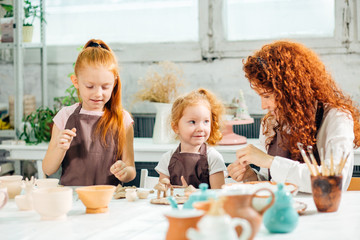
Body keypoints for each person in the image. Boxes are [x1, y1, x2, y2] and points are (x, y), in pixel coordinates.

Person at [227, 40, 360, 192]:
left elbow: (333, 182)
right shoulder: (271, 123)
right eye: (260, 96)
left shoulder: (337, 118)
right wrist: (251, 177)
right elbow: (269, 180)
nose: (263, 106)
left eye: (268, 95)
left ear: (292, 91)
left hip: (321, 212)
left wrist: (270, 162)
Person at [42, 39, 136, 186]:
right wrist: (60, 148)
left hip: (109, 201)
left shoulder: (123, 119)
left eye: (105, 87)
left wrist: (125, 171)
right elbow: (48, 169)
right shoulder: (65, 116)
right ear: (76, 82)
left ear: (115, 83)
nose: (98, 94)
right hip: (72, 199)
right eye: (90, 86)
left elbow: (131, 170)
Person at [155, 88, 227, 189]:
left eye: (206, 121)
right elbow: (163, 193)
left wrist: (193, 194)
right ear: (175, 127)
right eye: (193, 122)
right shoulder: (167, 159)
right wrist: (163, 187)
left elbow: (219, 197)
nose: (201, 128)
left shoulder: (214, 158)